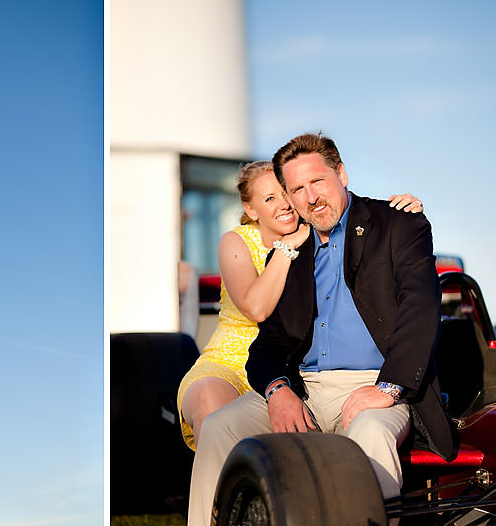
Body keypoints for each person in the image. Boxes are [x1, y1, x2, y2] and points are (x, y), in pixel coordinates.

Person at [183, 133, 457, 526]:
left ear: (342, 175)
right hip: (304, 387)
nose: (311, 196)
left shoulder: (398, 224)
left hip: (378, 386)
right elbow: (269, 341)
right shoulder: (291, 251)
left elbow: (420, 308)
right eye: (297, 189)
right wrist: (277, 390)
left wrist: (388, 387)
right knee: (223, 426)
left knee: (371, 434)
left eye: (319, 181)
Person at [177, 161, 423, 451]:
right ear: (251, 210)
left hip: (289, 367)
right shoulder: (237, 240)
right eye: (269, 199)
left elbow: (346, 209)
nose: (284, 205)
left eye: (286, 193)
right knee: (214, 408)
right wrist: (287, 246)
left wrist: (399, 209)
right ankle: (226, 492)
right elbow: (256, 309)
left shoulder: (317, 233)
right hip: (232, 363)